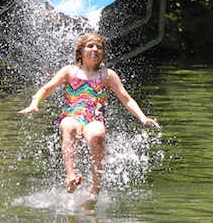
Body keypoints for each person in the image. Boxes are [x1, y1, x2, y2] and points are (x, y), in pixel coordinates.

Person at [18, 33, 160, 205]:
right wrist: (35, 103)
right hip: (71, 115)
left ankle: (94, 189)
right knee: (70, 127)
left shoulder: (107, 75)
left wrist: (142, 117)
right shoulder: (70, 72)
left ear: (103, 54)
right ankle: (70, 176)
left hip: (94, 119)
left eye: (99, 47)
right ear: (80, 53)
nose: (95, 49)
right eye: (90, 46)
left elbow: (126, 99)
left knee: (98, 134)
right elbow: (46, 88)